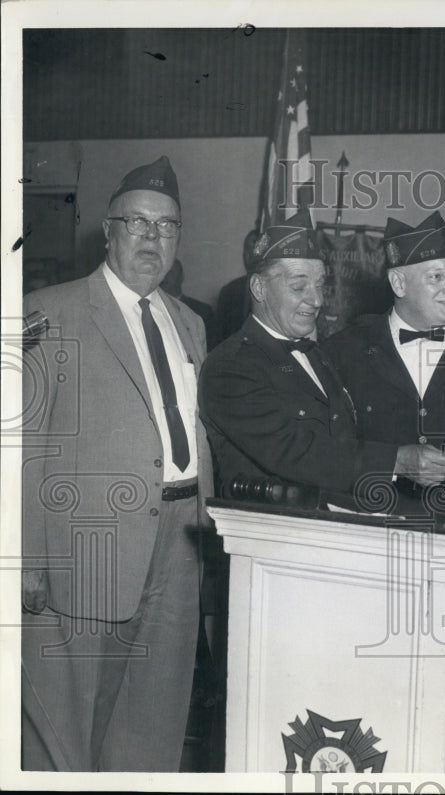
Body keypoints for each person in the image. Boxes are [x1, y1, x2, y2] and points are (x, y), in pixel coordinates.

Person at [21, 156, 213, 771]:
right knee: (66, 724)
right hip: (89, 544)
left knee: (154, 714)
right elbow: (20, 447)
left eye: (168, 226)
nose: (153, 237)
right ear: (107, 231)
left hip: (183, 537)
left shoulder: (190, 322)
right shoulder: (48, 313)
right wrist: (26, 557)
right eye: (138, 222)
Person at [199, 210, 445, 507]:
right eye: (299, 286)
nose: (317, 299)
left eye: (320, 284)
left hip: (334, 525)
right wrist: (396, 461)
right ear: (259, 288)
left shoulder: (320, 355)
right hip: (273, 535)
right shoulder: (230, 367)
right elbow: (295, 452)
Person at [324, 211, 445, 520]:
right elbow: (326, 450)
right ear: (398, 283)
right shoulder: (342, 351)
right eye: (436, 277)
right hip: (368, 523)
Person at [162, 258, 219, 349]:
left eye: (170, 272)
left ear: (181, 276)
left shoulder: (202, 311)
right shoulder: (151, 309)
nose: (165, 277)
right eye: (163, 272)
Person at [215, 228, 257, 342]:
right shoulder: (229, 291)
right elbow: (220, 335)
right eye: (246, 250)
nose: (249, 255)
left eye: (254, 250)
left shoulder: (274, 289)